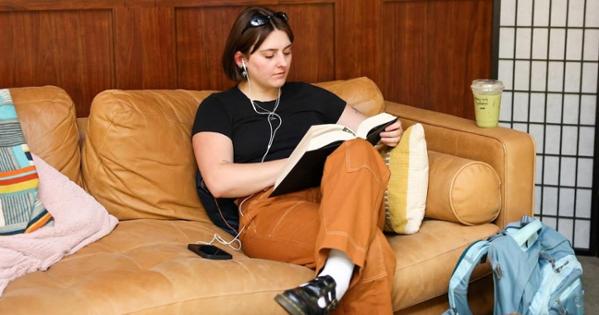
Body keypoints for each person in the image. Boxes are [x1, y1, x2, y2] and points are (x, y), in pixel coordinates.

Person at [192, 6, 402, 315]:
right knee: (372, 248)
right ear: (242, 60)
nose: (282, 63)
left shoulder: (308, 96)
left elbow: (366, 130)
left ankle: (330, 281)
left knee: (357, 150)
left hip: (337, 197)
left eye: (287, 52)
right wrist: (298, 160)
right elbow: (220, 181)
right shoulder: (219, 108)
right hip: (267, 209)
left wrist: (388, 131)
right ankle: (337, 275)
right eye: (270, 55)